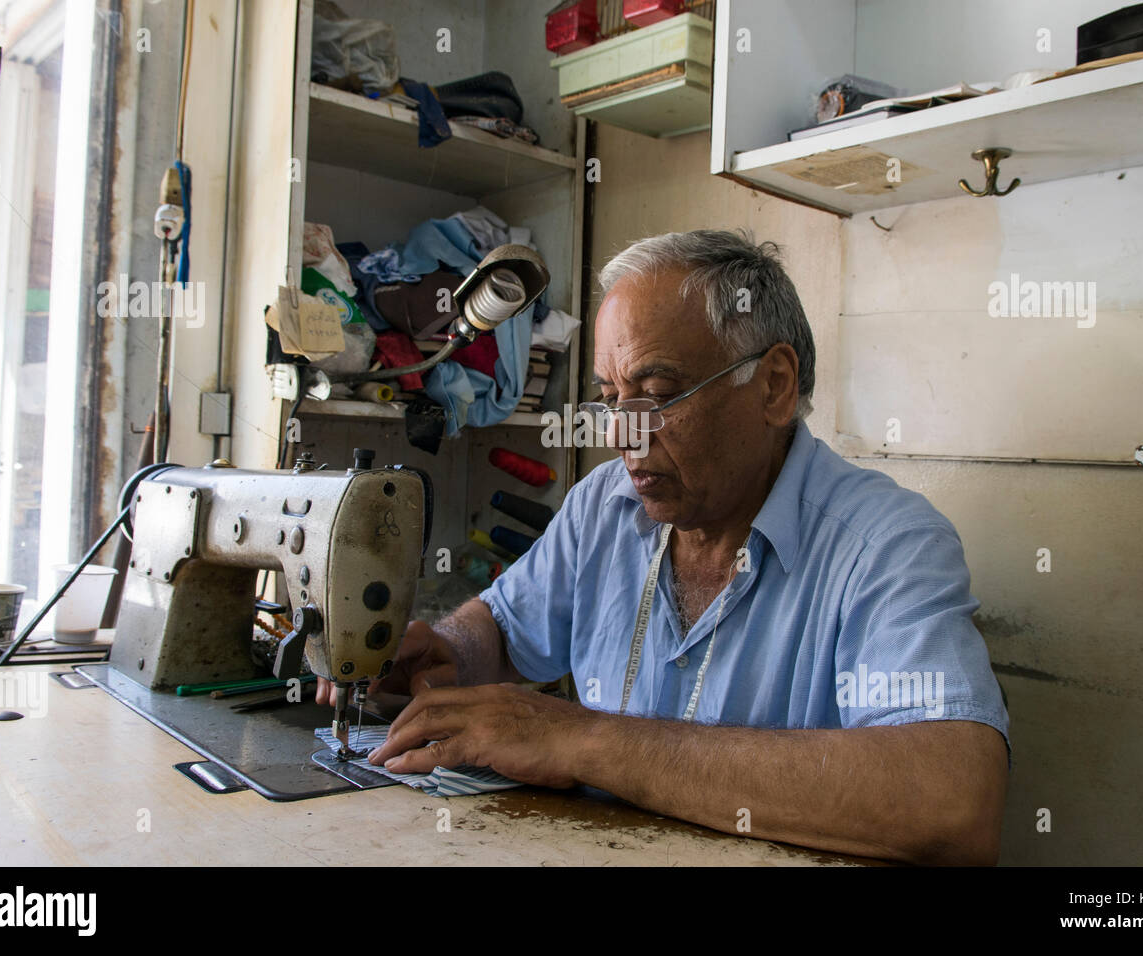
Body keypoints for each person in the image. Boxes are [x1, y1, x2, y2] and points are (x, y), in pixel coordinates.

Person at [319, 229, 1009, 864]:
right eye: (610, 399)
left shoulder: (884, 546)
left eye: (655, 394)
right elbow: (503, 625)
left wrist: (579, 738)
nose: (624, 437)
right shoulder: (606, 510)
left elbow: (952, 802)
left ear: (773, 384)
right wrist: (447, 652)